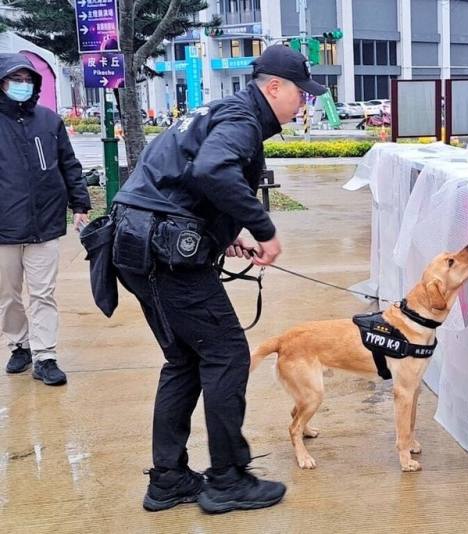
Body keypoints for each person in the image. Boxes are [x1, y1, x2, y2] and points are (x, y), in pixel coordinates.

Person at [110, 45, 325, 514]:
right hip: (162, 255)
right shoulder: (243, 121)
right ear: (273, 87)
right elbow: (212, 170)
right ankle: (228, 479)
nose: (303, 103)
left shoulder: (222, 112)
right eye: (300, 94)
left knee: (185, 361)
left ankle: (169, 480)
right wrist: (264, 229)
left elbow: (182, 180)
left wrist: (222, 235)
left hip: (143, 244)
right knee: (227, 354)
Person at [0, 53, 90, 386]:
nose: (22, 86)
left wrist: (80, 203)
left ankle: (45, 355)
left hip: (45, 224)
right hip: (4, 228)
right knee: (8, 296)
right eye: (15, 80)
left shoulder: (49, 122)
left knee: (42, 294)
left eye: (27, 80)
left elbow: (69, 164)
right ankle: (19, 344)